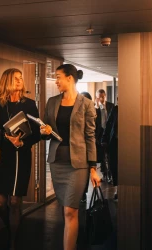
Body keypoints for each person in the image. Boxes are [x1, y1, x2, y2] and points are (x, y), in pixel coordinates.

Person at [40, 64, 101, 250]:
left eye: (58, 77)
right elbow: (44, 131)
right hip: (57, 162)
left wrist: (93, 167)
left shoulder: (87, 104)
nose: (56, 81)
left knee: (70, 211)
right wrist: (45, 131)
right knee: (64, 209)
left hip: (78, 165)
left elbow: (91, 137)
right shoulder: (51, 102)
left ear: (70, 78)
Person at [0, 68, 41, 250]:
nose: (20, 80)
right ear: (7, 81)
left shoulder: (30, 104)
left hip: (21, 155)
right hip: (2, 156)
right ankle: (12, 228)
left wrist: (22, 141)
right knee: (0, 202)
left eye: (21, 78)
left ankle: (13, 242)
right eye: (16, 78)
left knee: (15, 201)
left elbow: (38, 133)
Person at [80, 92, 102, 202]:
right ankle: (81, 193)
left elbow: (97, 129)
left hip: (89, 145)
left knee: (89, 170)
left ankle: (83, 193)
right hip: (79, 147)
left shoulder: (95, 112)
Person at [95, 89, 115, 182]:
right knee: (102, 155)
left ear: (105, 96)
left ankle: (111, 174)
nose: (101, 99)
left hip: (109, 133)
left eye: (102, 96)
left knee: (110, 155)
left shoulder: (111, 106)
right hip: (100, 133)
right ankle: (104, 174)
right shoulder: (96, 108)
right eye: (99, 97)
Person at [101, 102, 118, 200]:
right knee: (114, 165)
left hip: (127, 143)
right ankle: (117, 188)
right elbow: (108, 124)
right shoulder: (115, 109)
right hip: (114, 142)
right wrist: (104, 139)